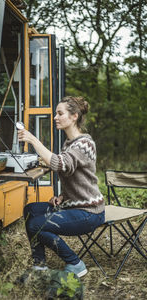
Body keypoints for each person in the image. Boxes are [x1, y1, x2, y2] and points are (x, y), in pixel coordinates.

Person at [18, 96, 105, 278]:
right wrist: (62, 196)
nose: (55, 117)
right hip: (73, 205)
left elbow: (59, 164)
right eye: (55, 114)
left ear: (74, 116)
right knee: (31, 210)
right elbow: (75, 177)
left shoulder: (85, 144)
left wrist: (33, 140)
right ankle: (39, 265)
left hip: (89, 212)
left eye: (60, 113)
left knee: (36, 225)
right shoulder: (69, 144)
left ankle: (75, 263)